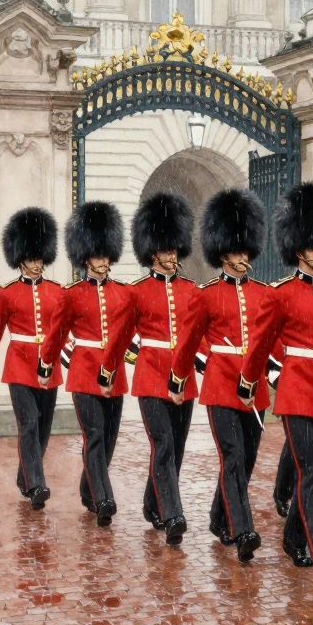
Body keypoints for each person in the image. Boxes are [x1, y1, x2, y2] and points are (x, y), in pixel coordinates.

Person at [240, 182, 313, 585]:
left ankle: (292, 536)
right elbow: (260, 346)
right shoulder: (280, 295)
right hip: (297, 390)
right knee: (310, 469)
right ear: (298, 248)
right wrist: (252, 381)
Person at [169, 189, 270, 562]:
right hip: (220, 384)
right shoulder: (206, 295)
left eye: (246, 251)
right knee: (232, 456)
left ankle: (218, 516)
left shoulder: (262, 293)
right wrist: (178, 378)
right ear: (223, 253)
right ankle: (244, 530)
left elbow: (269, 342)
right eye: (237, 251)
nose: (243, 258)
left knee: (247, 460)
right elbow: (188, 341)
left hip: (254, 387)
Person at [38, 201, 135, 528]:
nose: (104, 261)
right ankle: (105, 498)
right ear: (85, 257)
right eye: (98, 255)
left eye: (107, 255)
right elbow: (56, 334)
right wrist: (45, 364)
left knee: (108, 440)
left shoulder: (123, 293)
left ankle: (88, 487)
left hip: (115, 375)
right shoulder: (71, 294)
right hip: (83, 372)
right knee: (94, 435)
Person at [0, 207, 64, 511]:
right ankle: (37, 485)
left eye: (40, 259)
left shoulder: (57, 292)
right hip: (18, 366)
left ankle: (24, 477)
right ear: (20, 259)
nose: (37, 264)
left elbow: (61, 331)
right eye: (31, 259)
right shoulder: (7, 293)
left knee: (42, 429)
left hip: (48, 367)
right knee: (29, 424)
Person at [128, 192, 199, 545]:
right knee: (164, 444)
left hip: (184, 378)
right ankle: (173, 515)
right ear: (153, 252)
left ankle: (151, 503)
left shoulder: (190, 290)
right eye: (167, 250)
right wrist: (115, 367)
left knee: (177, 448)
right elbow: (121, 337)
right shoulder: (137, 291)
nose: (172, 256)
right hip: (151, 375)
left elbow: (198, 335)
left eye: (175, 250)